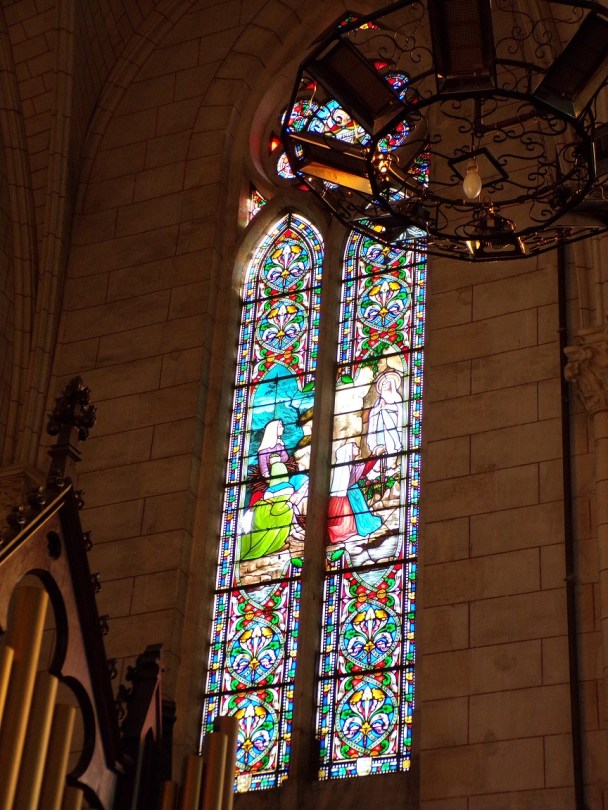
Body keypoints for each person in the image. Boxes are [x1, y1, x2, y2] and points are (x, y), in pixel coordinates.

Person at [327, 441, 382, 544]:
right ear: (349, 452)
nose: (357, 447)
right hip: (348, 496)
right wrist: (375, 455)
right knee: (349, 523)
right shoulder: (345, 467)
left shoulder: (351, 465)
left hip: (353, 493)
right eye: (354, 446)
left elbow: (363, 469)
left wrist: (374, 454)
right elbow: (365, 469)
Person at [239, 461, 295, 561]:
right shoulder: (285, 489)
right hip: (268, 518)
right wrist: (290, 504)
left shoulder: (270, 490)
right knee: (288, 512)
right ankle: (275, 545)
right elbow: (276, 510)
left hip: (260, 516)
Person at [367, 370, 404, 457]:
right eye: (383, 384)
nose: (384, 385)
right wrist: (380, 407)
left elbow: (399, 409)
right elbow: (373, 413)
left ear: (392, 384)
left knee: (390, 445)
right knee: (384, 444)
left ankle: (396, 442)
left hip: (393, 421)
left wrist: (386, 406)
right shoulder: (380, 400)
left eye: (386, 383)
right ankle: (395, 443)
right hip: (380, 425)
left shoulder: (396, 396)